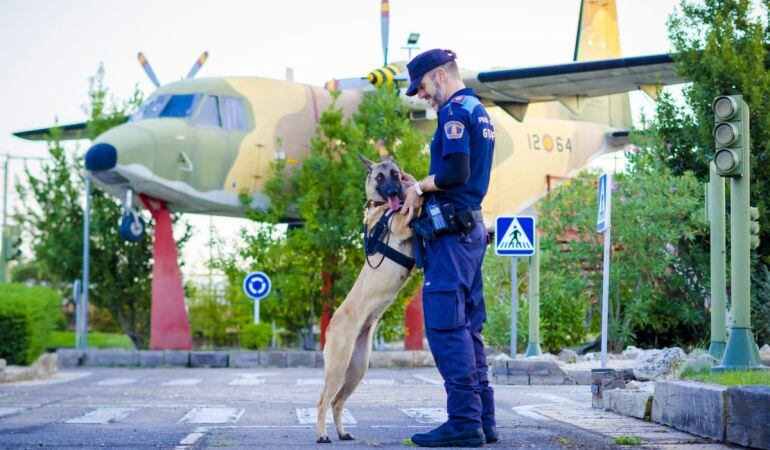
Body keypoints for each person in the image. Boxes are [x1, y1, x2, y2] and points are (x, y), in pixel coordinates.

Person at [400, 49, 496, 448]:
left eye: (421, 87)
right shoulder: (478, 109)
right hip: (470, 230)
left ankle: (463, 424)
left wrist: (420, 187)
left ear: (440, 75)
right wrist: (420, 181)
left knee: (445, 328)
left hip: (452, 239)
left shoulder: (454, 111)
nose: (421, 95)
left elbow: (456, 173)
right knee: (469, 329)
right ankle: (483, 421)